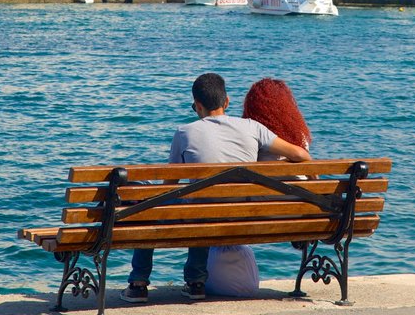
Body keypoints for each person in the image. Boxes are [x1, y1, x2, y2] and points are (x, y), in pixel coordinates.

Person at [120, 73, 310, 304]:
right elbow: (301, 154)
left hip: (202, 214)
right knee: (200, 206)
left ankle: (139, 284)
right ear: (227, 101)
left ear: (198, 106)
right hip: (241, 215)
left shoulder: (184, 132)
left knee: (150, 207)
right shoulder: (252, 127)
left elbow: (169, 188)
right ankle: (195, 283)